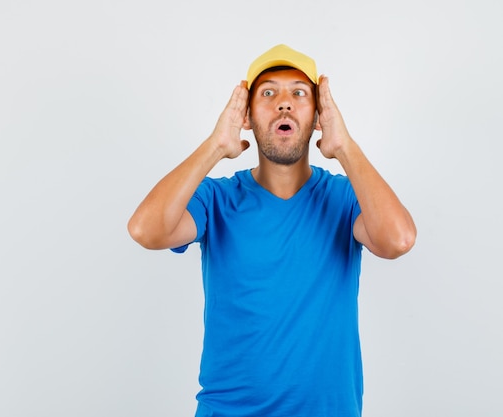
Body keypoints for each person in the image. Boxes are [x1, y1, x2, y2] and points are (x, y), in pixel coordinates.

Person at [127, 44, 416, 417]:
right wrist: (215, 146)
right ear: (247, 115)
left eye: (299, 93)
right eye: (268, 93)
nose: (284, 103)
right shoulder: (217, 199)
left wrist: (344, 146)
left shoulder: (345, 198)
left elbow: (398, 240)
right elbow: (145, 230)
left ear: (317, 116)